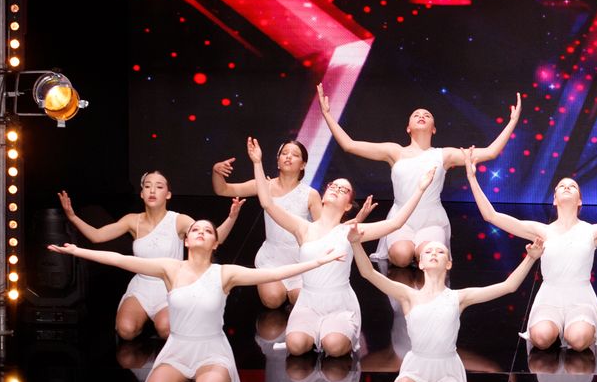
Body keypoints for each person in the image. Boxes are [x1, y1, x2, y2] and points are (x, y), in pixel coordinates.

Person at [48, 219, 343, 382]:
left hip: (211, 351)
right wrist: (77, 252)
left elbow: (276, 272)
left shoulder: (225, 273)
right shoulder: (170, 268)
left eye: (208, 231)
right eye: (195, 230)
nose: (201, 232)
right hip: (178, 349)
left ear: (215, 243)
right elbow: (119, 259)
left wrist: (317, 263)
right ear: (186, 241)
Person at [466, 148, 597, 350]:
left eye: (573, 186)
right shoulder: (541, 230)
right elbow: (491, 216)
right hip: (549, 297)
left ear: (579, 201)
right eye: (562, 186)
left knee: (578, 340)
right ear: (554, 200)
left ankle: (575, 330)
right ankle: (554, 329)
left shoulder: (593, 231)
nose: (567, 187)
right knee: (541, 338)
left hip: (580, 298)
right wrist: (472, 179)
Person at [248, 136, 431, 357]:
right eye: (333, 186)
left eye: (343, 190)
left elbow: (396, 223)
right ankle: (312, 333)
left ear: (347, 206)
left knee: (334, 347)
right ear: (323, 196)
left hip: (338, 304)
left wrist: (420, 190)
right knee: (295, 346)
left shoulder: (350, 232)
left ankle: (334, 333)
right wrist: (257, 163)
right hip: (308, 302)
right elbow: (267, 203)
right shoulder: (302, 228)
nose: (336, 189)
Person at [350, 227, 542, 382]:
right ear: (421, 263)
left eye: (440, 251)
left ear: (448, 263)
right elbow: (368, 273)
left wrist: (531, 258)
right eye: (428, 251)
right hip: (416, 367)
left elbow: (509, 286)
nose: (434, 253)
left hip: (446, 369)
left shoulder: (459, 297)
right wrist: (356, 243)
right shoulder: (408, 296)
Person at [316, 83, 521, 266]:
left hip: (431, 219)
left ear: (434, 129)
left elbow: (490, 152)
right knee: (401, 257)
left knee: (429, 257)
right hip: (400, 218)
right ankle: (409, 251)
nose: (421, 116)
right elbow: (349, 145)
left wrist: (512, 122)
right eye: (416, 115)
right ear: (408, 128)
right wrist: (327, 114)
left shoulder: (444, 155)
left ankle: (421, 251)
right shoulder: (394, 151)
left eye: (427, 115)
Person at [57, 172, 241, 339]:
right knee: (126, 330)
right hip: (142, 286)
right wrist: (72, 217)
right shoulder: (132, 220)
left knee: (166, 329)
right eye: (147, 186)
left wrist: (231, 217)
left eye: (159, 187)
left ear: (168, 194)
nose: (152, 190)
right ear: (142, 193)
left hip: (170, 285)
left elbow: (214, 239)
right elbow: (97, 236)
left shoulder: (179, 220)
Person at [211, 139, 322, 308]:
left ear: (303, 165)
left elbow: (322, 228)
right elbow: (223, 189)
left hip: (300, 259)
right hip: (272, 258)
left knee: (300, 300)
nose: (288, 157)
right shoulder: (264, 186)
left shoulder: (311, 194)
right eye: (284, 153)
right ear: (278, 161)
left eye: (295, 155)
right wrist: (216, 171)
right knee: (272, 300)